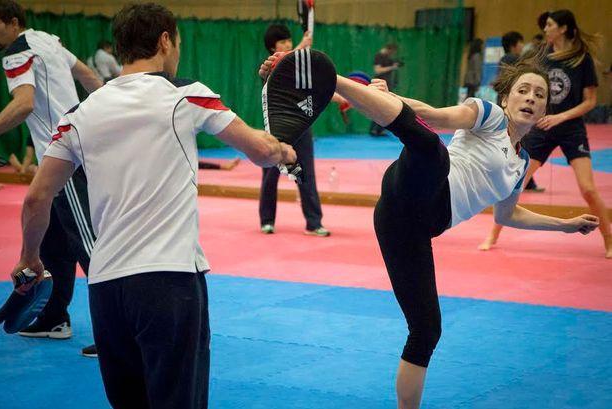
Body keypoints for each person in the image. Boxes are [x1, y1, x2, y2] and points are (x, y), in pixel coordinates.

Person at [260, 49, 599, 408]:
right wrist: (390, 98)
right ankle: (326, 80)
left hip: (407, 226)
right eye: (523, 90)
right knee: (433, 151)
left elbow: (508, 216)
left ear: (546, 110)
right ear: (505, 97)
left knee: (426, 330)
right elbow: (433, 117)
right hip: (417, 184)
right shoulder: (490, 115)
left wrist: (565, 225)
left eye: (539, 95)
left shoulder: (523, 163)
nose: (531, 98)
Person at [11, 3, 295, 408]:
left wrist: (31, 257)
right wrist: (284, 149)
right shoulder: (186, 94)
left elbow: (37, 198)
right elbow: (260, 151)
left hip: (106, 289)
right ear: (165, 41)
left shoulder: (78, 114)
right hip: (169, 282)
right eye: (176, 42)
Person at [0, 0, 103, 354]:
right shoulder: (48, 40)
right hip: (62, 154)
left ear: (12, 22)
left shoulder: (16, 52)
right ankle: (54, 317)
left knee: (90, 247)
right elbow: (90, 78)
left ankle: (117, 335)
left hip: (65, 158)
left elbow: (23, 104)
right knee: (53, 244)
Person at [479, 10, 612, 258]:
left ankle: (608, 239)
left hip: (570, 129)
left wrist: (560, 117)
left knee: (588, 189)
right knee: (512, 185)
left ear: (562, 28)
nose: (546, 29)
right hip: (540, 129)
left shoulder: (580, 60)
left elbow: (590, 101)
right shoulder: (542, 56)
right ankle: (493, 235)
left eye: (550, 25)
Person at [259, 24, 329, 236]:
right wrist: (301, 46)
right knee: (271, 175)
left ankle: (314, 223)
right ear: (273, 48)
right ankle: (267, 221)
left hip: (302, 129)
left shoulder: (302, 71)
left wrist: (341, 98)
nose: (287, 44)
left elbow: (316, 90)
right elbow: (283, 64)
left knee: (305, 174)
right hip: (276, 130)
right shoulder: (270, 66)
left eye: (289, 40)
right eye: (283, 42)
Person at [498, 31, 544, 192]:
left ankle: (526, 181)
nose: (522, 46)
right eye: (520, 43)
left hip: (507, 107)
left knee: (518, 144)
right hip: (510, 110)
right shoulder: (512, 60)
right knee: (519, 143)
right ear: (514, 45)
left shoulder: (504, 59)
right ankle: (525, 182)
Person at [370, 43, 400, 136]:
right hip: (379, 85)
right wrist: (392, 67)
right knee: (378, 106)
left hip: (386, 85)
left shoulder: (388, 58)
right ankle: (374, 129)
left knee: (384, 107)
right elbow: (377, 70)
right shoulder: (379, 56)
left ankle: (379, 129)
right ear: (389, 49)